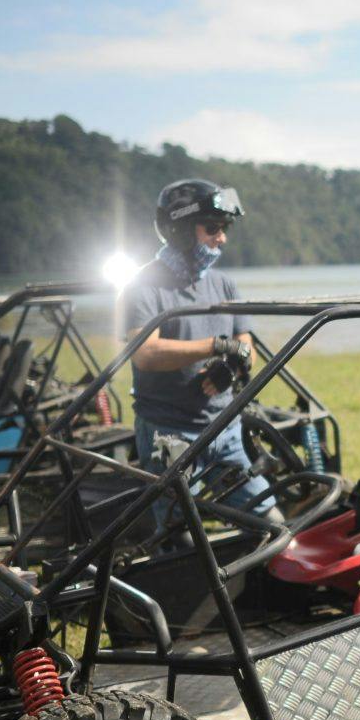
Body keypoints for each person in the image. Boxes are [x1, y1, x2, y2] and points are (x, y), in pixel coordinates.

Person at [120, 178, 275, 531]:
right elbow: (144, 353)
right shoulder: (144, 285)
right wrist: (214, 346)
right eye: (213, 228)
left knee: (270, 523)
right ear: (180, 229)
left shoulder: (223, 283)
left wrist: (232, 366)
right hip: (170, 435)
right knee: (177, 539)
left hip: (225, 429)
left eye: (224, 229)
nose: (222, 238)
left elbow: (244, 342)